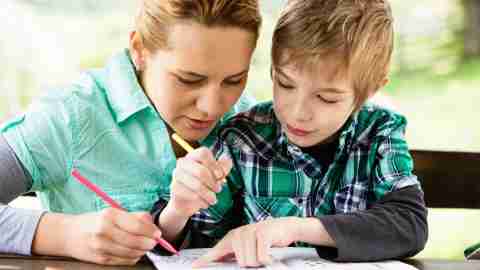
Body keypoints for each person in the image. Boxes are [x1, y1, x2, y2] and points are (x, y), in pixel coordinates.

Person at [152, 0, 428, 267]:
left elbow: (409, 224)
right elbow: (192, 244)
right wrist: (178, 211)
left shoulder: (379, 133)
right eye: (285, 84)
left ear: (370, 91)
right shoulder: (242, 140)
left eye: (326, 98)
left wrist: (293, 229)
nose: (298, 112)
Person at [0, 0, 261, 265]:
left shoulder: (252, 124)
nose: (212, 107)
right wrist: (63, 235)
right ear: (139, 49)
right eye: (188, 80)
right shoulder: (71, 117)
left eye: (234, 80)